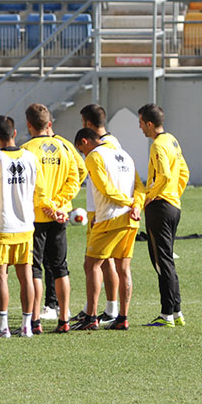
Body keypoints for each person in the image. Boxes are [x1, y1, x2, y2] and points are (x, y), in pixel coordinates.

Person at [0, 116, 59, 339]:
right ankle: (26, 326)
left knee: (1, 277)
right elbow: (41, 194)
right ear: (15, 134)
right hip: (24, 226)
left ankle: (2, 326)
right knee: (26, 276)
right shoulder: (31, 159)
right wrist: (53, 208)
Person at [73, 128, 145, 331]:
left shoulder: (94, 157)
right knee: (123, 268)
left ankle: (91, 316)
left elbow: (104, 187)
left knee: (92, 265)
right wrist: (136, 205)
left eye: (81, 150)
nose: (83, 155)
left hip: (109, 218)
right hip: (131, 219)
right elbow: (140, 186)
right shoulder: (125, 155)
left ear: (85, 142)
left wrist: (128, 202)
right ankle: (123, 317)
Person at [21, 104, 81, 333]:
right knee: (60, 268)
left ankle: (35, 321)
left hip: (36, 216)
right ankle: (64, 319)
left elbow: (33, 184)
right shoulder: (64, 147)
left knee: (35, 269)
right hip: (60, 215)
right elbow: (76, 178)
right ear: (49, 124)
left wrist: (46, 205)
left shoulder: (26, 149)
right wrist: (58, 204)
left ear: (28, 125)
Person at [69, 104, 124, 327]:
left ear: (87, 123)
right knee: (99, 262)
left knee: (101, 262)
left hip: (104, 211)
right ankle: (96, 309)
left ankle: (108, 309)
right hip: (100, 209)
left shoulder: (105, 147)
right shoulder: (112, 143)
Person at [138, 104, 190, 328]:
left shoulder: (158, 145)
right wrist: (173, 195)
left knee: (161, 262)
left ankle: (166, 314)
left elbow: (165, 176)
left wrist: (150, 196)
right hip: (173, 206)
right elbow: (184, 172)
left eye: (140, 122)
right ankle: (176, 311)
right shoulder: (172, 140)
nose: (139, 127)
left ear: (149, 124)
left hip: (160, 207)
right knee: (166, 259)